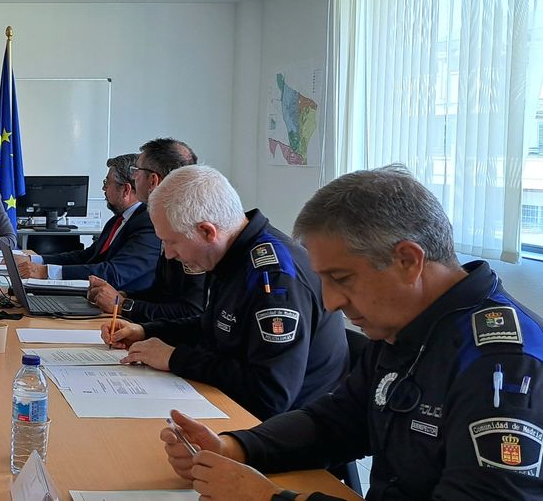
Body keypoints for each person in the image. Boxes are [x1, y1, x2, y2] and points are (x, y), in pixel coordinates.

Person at [159, 166, 543, 501]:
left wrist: (270, 498)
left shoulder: (504, 364)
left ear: (408, 261)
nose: (328, 303)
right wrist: (236, 446)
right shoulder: (406, 323)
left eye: (341, 279)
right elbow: (337, 421)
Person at [105, 165, 348, 421]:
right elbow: (218, 326)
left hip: (285, 438)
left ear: (207, 231)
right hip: (239, 415)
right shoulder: (232, 255)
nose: (168, 254)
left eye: (172, 241)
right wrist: (147, 331)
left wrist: (176, 358)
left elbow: (269, 394)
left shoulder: (273, 278)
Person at [87, 138, 205, 322]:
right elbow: (161, 292)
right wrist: (123, 296)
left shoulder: (189, 226)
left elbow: (192, 311)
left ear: (152, 180)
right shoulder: (166, 218)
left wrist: (123, 304)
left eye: (136, 171)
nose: (133, 178)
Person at [16, 153, 159, 290]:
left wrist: (46, 272)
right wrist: (35, 260)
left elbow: (115, 273)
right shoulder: (117, 221)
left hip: (119, 307)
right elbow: (87, 256)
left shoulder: (147, 223)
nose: (103, 188)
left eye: (106, 183)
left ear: (126, 190)